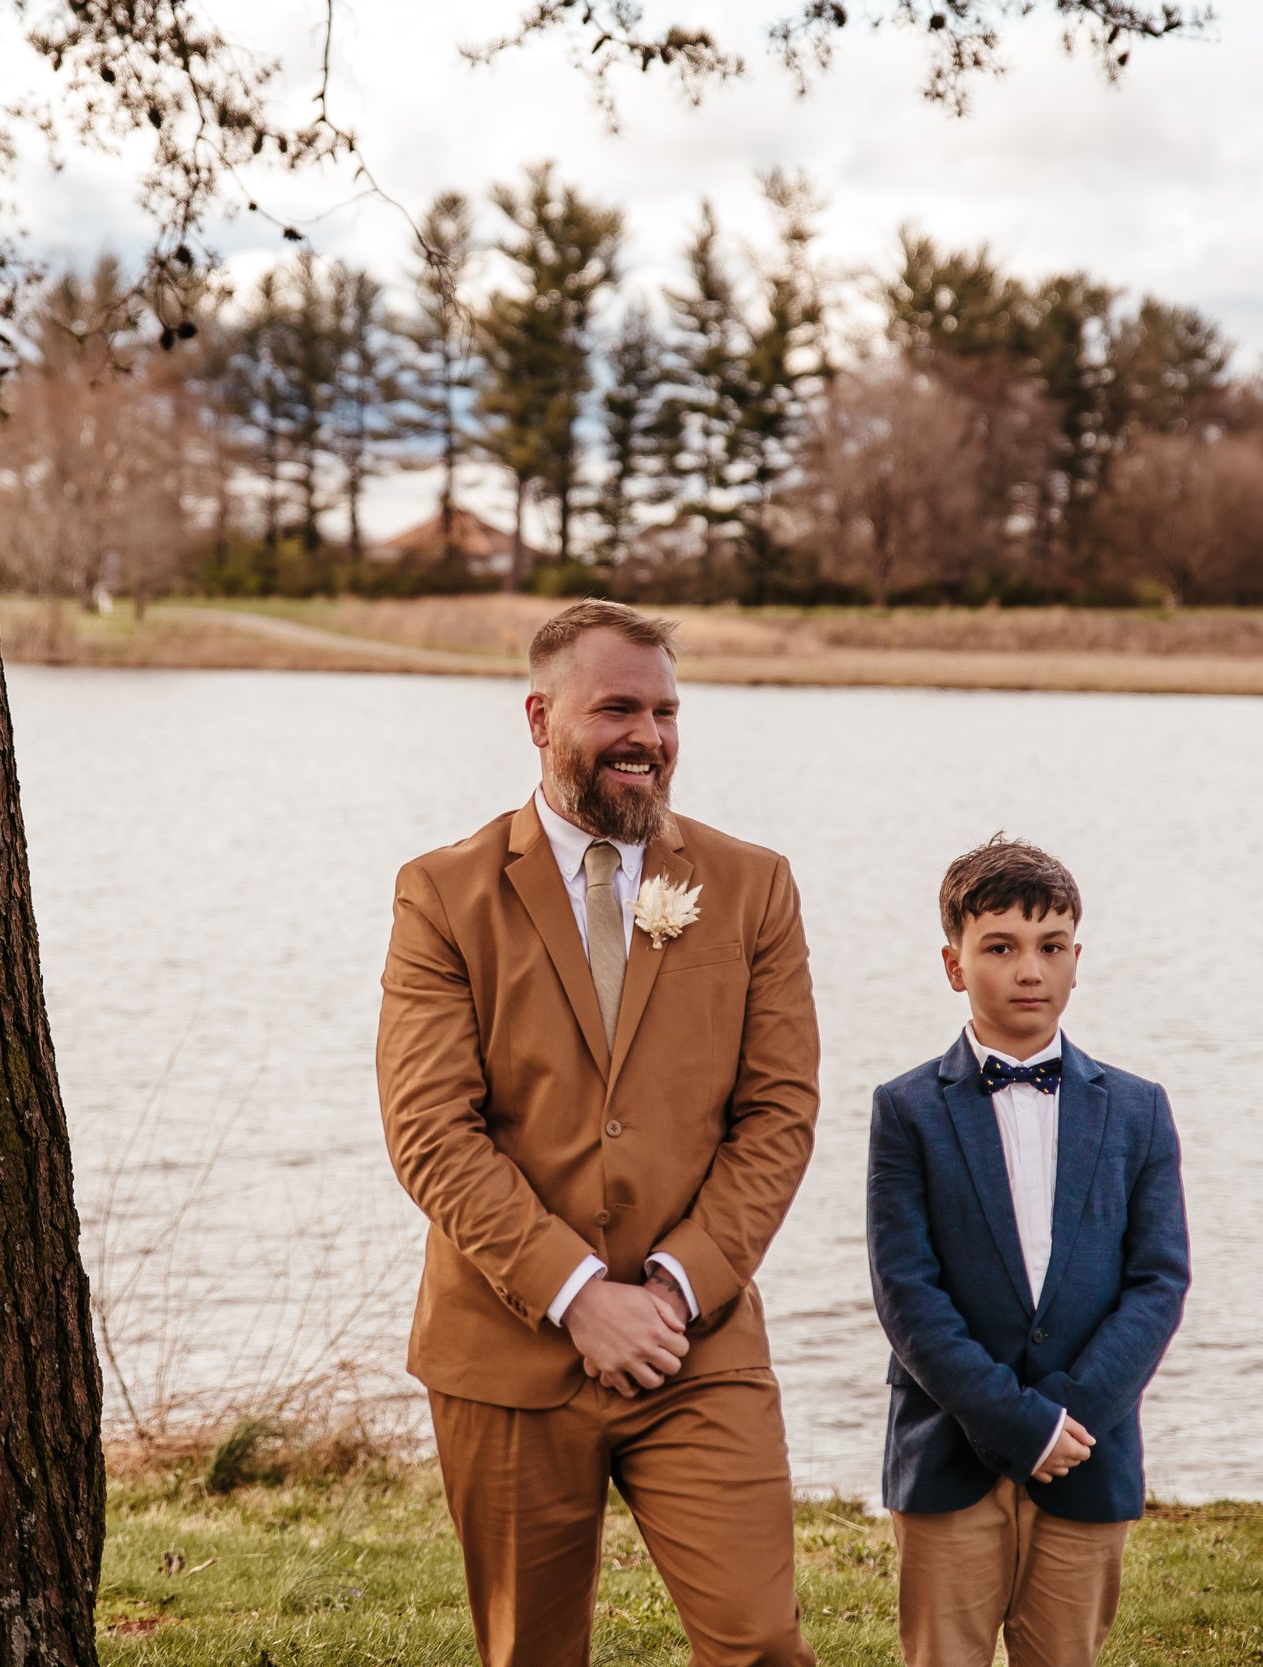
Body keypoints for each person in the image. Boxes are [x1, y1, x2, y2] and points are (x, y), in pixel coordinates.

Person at [377, 598, 822, 1667]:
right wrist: (576, 1294)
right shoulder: (443, 893)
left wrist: (670, 1290)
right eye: (617, 706)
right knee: (531, 1653)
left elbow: (778, 1112)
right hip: (506, 1346)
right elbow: (430, 1127)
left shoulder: (751, 884)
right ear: (539, 716)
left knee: (761, 1642)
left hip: (695, 1341)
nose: (649, 736)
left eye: (666, 711)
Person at [866, 835, 1189, 1667]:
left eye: (1050, 948)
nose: (1028, 971)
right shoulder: (905, 1109)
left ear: (1077, 959)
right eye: (1000, 948)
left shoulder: (1138, 1108)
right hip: (948, 1449)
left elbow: (1158, 1281)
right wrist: (1015, 1420)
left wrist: (1070, 1414)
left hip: (1089, 1446)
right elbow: (906, 1291)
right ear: (953, 962)